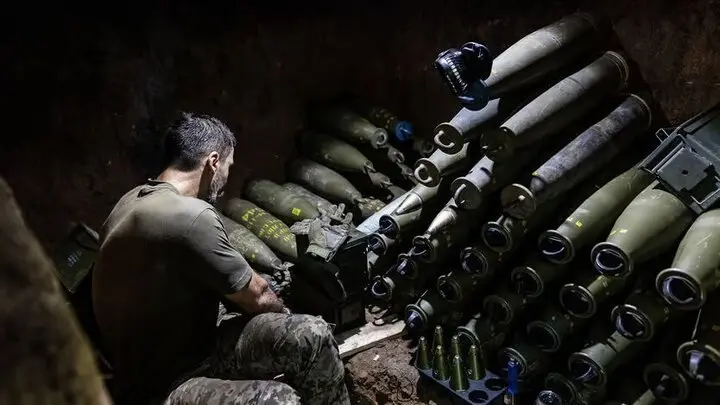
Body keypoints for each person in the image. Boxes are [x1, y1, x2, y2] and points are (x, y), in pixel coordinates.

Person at [92, 112, 350, 405]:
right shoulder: (191, 215)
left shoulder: (127, 203)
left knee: (311, 335)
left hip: (191, 347)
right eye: (229, 166)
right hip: (168, 383)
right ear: (213, 162)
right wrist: (286, 315)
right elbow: (258, 297)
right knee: (280, 399)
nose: (227, 178)